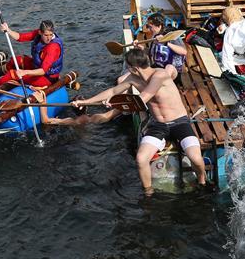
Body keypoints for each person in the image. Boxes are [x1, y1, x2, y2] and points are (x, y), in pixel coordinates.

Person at [72, 50, 206, 196]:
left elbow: (143, 98)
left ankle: (202, 182)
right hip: (158, 124)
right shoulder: (133, 78)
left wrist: (116, 102)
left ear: (133, 68)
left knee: (195, 158)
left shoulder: (159, 75)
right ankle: (148, 193)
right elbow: (112, 91)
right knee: (141, 159)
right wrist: (85, 101)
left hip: (179, 122)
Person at [0, 20, 63, 88]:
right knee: (17, 60)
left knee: (13, 74)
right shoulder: (37, 34)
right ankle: (0, 72)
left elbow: (43, 71)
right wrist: (8, 30)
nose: (49, 38)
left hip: (47, 78)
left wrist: (25, 72)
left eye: (51, 35)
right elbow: (20, 37)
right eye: (46, 35)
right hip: (36, 67)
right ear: (40, 32)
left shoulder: (52, 48)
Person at [141, 14, 186, 80]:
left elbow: (184, 52)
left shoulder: (171, 36)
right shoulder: (155, 36)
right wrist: (141, 48)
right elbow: (152, 52)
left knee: (168, 68)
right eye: (147, 26)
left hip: (172, 70)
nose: (148, 29)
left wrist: (165, 43)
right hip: (158, 68)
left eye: (150, 27)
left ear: (159, 26)